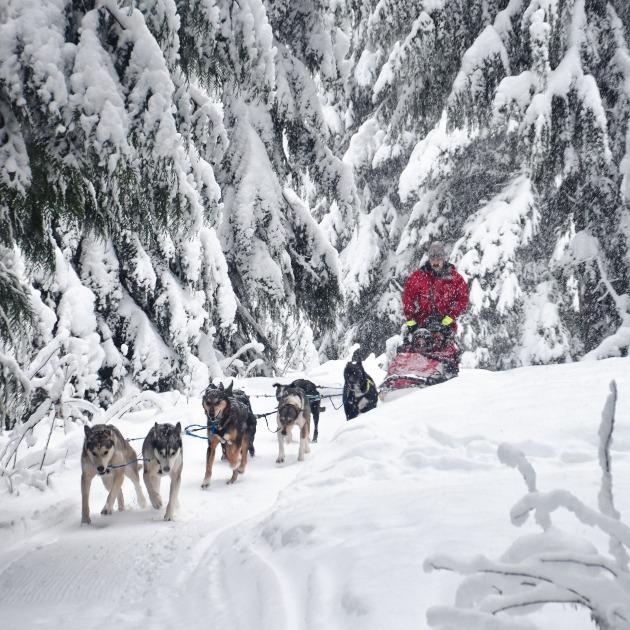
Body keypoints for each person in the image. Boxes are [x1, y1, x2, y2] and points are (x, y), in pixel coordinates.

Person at [401, 241, 469, 352]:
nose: (435, 262)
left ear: (443, 258)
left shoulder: (455, 278)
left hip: (445, 325)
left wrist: (449, 318)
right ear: (429, 259)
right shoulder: (418, 277)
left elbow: (463, 300)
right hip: (421, 324)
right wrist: (411, 322)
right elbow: (407, 300)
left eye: (438, 258)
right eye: (433, 258)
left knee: (448, 357)